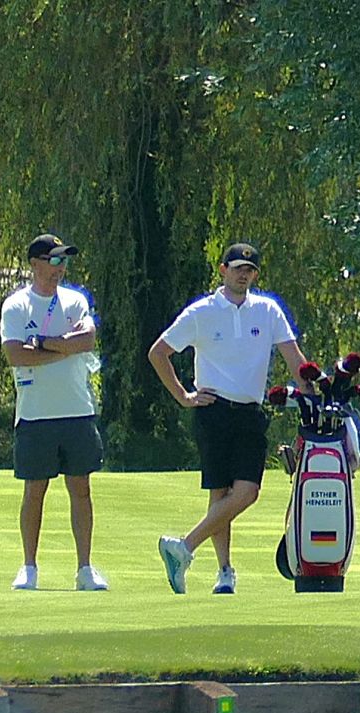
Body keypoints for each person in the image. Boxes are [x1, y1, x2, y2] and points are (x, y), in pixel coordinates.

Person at [150, 241, 304, 596]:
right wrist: (184, 397)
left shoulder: (267, 310)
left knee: (246, 492)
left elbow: (294, 360)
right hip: (213, 410)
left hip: (250, 412)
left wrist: (314, 390)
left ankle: (184, 547)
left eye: (249, 270)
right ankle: (224, 573)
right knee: (220, 493)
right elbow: (159, 353)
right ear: (223, 270)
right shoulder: (202, 312)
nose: (243, 275)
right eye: (237, 268)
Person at [1, 233, 107, 591]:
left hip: (77, 410)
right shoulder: (16, 306)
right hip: (35, 415)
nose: (60, 268)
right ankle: (29, 567)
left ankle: (85, 569)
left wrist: (45, 344)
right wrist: (64, 348)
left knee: (81, 488)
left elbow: (87, 341)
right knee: (35, 489)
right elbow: (16, 354)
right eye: (54, 260)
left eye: (64, 262)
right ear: (35, 264)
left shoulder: (75, 301)